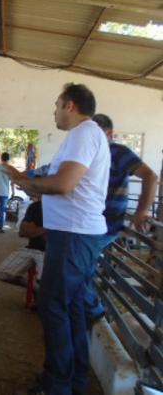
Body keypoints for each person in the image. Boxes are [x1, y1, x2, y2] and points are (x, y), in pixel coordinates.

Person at [8, 83, 111, 395]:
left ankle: (57, 384)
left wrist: (33, 186)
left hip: (74, 235)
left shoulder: (83, 133)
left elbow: (65, 184)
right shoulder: (87, 135)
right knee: (72, 309)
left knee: (52, 305)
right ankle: (74, 381)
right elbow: (67, 182)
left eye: (56, 104)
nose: (53, 111)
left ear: (70, 106)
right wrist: (31, 182)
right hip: (78, 233)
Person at [84, 113, 158, 322]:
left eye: (97, 133)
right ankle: (88, 312)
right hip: (88, 223)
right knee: (81, 269)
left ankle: (93, 313)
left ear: (110, 134)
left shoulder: (118, 152)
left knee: (80, 270)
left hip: (106, 224)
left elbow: (150, 176)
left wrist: (142, 211)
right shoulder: (86, 153)